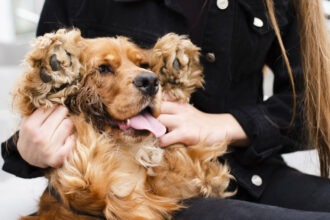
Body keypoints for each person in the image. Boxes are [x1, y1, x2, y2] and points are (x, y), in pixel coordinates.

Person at [2, 0, 330, 219]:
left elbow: (314, 107)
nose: (147, 76)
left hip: (248, 171)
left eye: (145, 64)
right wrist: (25, 147)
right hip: (133, 187)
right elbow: (48, 89)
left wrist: (224, 125)